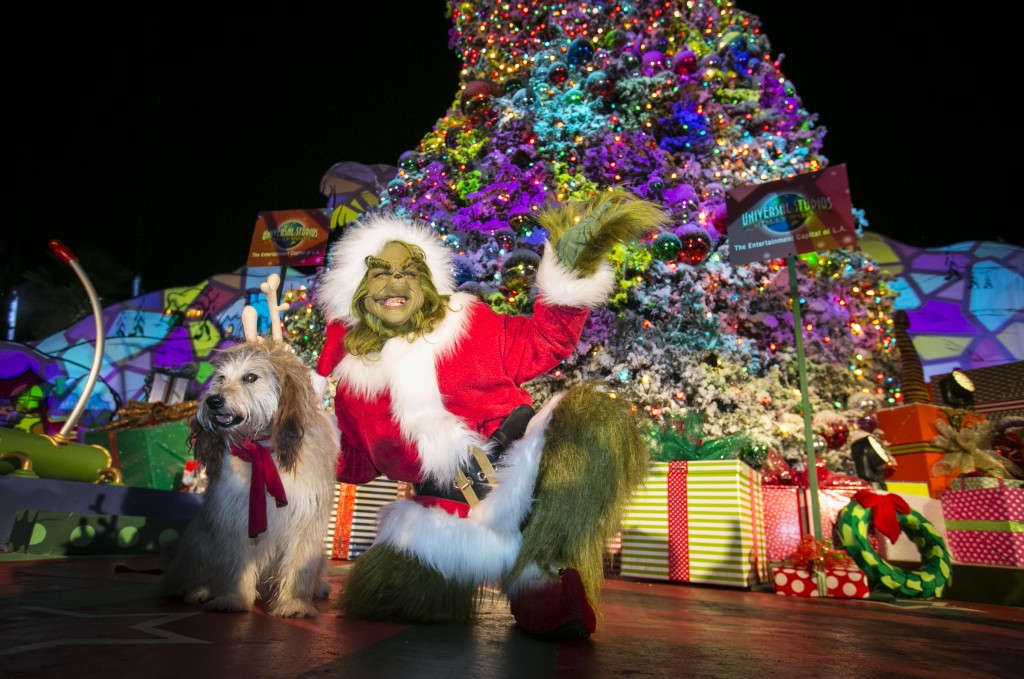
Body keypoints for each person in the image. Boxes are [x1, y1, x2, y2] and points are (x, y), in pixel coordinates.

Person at [315, 189, 668, 639]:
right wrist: (286, 438)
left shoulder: (470, 323)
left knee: (595, 420)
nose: (396, 283)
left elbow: (545, 340)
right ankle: (502, 577)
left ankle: (542, 571)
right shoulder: (357, 384)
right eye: (380, 273)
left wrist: (569, 272)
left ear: (427, 283)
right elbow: (355, 462)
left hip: (520, 462)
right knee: (392, 603)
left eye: (408, 271)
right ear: (358, 293)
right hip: (440, 509)